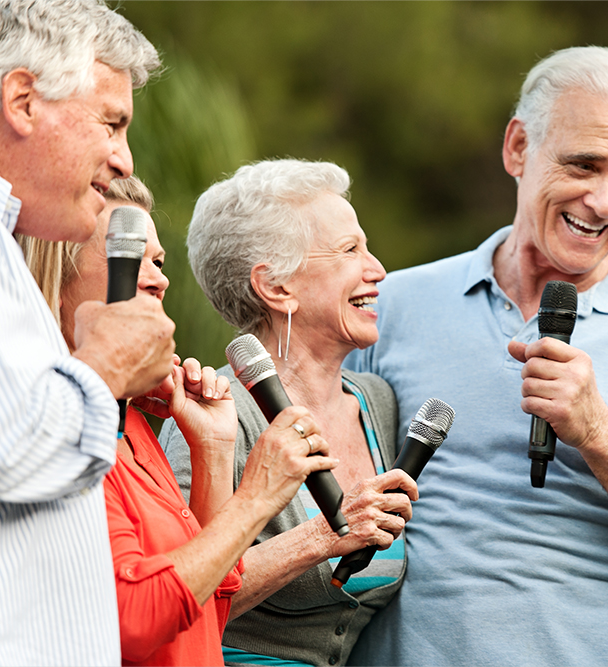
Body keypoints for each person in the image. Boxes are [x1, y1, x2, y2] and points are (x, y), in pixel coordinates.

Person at [344, 46, 608, 666]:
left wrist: (599, 432)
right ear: (518, 148)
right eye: (584, 165)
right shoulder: (393, 304)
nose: (604, 202)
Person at [20, 175, 343, 666]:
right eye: (127, 257)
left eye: (158, 261)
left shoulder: (132, 425)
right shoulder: (50, 418)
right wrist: (256, 497)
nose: (159, 278)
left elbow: (205, 613)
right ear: (54, 276)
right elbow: (131, 619)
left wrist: (212, 448)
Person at [0, 1, 174, 664]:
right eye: (111, 122)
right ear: (21, 99)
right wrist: (105, 365)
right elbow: (0, 448)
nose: (123, 159)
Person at [161, 158, 417, 667]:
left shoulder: (377, 402)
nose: (378, 270)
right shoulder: (211, 416)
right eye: (351, 251)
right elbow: (176, 599)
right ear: (277, 287)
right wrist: (324, 535)